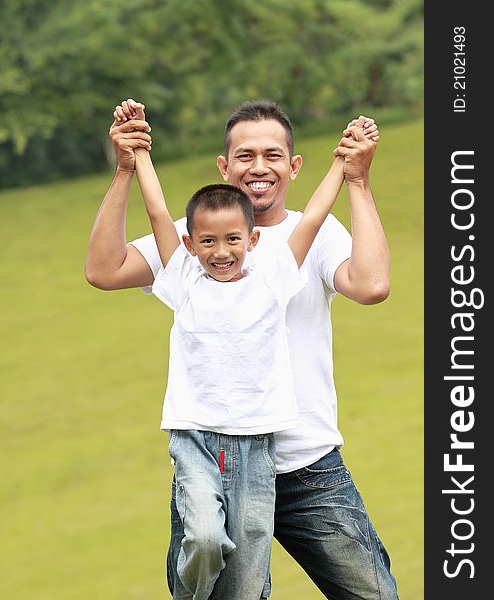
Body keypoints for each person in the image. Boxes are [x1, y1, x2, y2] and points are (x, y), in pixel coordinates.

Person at [86, 99, 398, 600]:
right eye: (245, 155)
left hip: (307, 462)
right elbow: (104, 269)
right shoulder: (199, 245)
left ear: (293, 166)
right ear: (224, 166)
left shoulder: (297, 244)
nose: (259, 167)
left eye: (272, 155)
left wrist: (356, 179)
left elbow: (373, 284)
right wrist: (127, 168)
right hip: (219, 460)